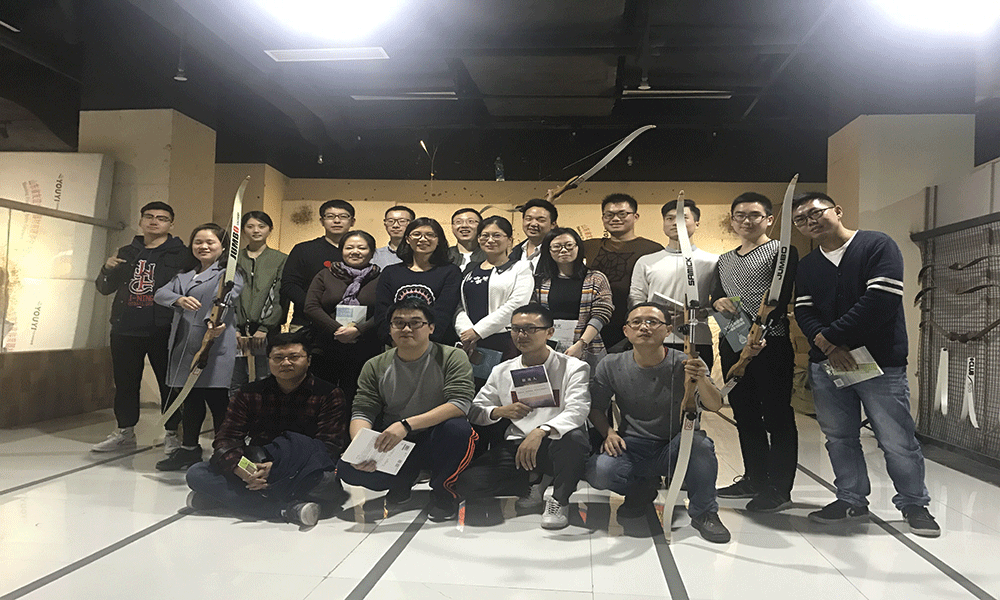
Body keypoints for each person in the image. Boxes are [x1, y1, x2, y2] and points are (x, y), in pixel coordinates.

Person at [792, 192, 940, 537]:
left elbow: (880, 300)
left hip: (879, 363)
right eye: (801, 219)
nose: (810, 221)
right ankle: (851, 499)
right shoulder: (808, 265)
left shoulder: (876, 245)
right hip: (828, 364)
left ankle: (914, 503)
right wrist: (828, 346)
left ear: (837, 210)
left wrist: (833, 339)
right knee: (839, 437)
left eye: (815, 213)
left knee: (896, 439)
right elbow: (803, 309)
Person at [586, 303, 731, 543]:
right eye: (636, 322)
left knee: (701, 446)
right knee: (599, 471)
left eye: (653, 322)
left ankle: (705, 513)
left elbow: (715, 405)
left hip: (675, 443)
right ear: (626, 331)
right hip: (632, 445)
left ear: (668, 330)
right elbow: (595, 408)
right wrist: (609, 432)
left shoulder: (687, 362)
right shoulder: (611, 364)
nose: (644, 327)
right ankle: (641, 491)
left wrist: (701, 379)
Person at [185, 332, 350, 527]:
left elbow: (329, 447)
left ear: (309, 360)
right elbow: (226, 439)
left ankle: (228, 499)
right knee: (197, 473)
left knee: (327, 483)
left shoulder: (329, 394)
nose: (286, 363)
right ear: (269, 361)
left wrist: (279, 468)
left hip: (303, 468)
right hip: (256, 464)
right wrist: (241, 470)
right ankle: (287, 509)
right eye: (278, 358)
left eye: (294, 357)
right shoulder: (249, 393)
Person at [338, 298, 477, 522]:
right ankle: (403, 481)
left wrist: (406, 425)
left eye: (415, 323)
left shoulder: (451, 356)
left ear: (431, 328)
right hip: (396, 444)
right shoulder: (375, 365)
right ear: (390, 329)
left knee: (458, 429)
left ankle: (443, 492)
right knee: (347, 468)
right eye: (398, 323)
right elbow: (363, 411)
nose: (406, 329)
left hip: (436, 437)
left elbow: (460, 404)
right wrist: (361, 446)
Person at [457, 304, 591, 529]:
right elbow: (475, 409)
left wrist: (541, 431)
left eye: (530, 329)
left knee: (575, 439)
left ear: (549, 332)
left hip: (557, 442)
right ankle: (534, 481)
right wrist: (499, 411)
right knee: (469, 483)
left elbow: (578, 410)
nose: (521, 335)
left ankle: (559, 499)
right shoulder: (502, 370)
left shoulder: (573, 367)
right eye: (516, 329)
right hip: (518, 445)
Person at [711, 192, 799, 511]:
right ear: (732, 220)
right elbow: (716, 295)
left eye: (754, 215)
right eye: (740, 215)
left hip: (770, 343)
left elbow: (779, 296)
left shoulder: (782, 252)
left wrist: (759, 330)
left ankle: (779, 488)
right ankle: (755, 478)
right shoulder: (724, 260)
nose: (746, 221)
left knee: (777, 415)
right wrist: (717, 301)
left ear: (769, 219)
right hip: (733, 343)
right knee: (745, 414)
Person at [92, 202, 190, 453]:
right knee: (125, 384)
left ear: (171, 223)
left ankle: (172, 433)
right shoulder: (127, 252)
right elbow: (104, 288)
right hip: (125, 328)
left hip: (164, 329)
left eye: (162, 218)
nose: (154, 221)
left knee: (169, 384)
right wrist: (107, 269)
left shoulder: (182, 254)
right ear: (141, 221)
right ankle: (125, 432)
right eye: (149, 216)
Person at [153, 223, 244, 471]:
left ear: (223, 247)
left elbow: (226, 298)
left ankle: (224, 452)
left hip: (212, 344)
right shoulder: (184, 275)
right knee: (190, 400)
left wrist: (212, 320)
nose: (203, 246)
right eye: (198, 242)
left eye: (210, 242)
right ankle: (189, 450)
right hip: (184, 344)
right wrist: (178, 299)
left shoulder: (229, 274)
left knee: (217, 401)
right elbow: (160, 294)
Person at [629, 198, 718, 369]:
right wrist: (653, 318)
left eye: (683, 218)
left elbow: (719, 302)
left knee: (698, 384)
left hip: (698, 339)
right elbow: (636, 298)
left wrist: (697, 314)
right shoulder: (646, 261)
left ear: (696, 223)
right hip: (654, 339)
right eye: (669, 218)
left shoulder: (712, 261)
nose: (675, 223)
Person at [454, 216, 533, 385]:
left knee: (502, 389)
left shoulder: (520, 268)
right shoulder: (470, 269)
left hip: (503, 340)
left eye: (497, 235)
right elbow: (459, 304)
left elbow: (516, 304)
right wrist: (466, 332)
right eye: (485, 235)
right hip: (469, 341)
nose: (490, 240)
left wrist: (478, 331)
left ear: (509, 240)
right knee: (470, 388)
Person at [304, 230, 382, 402]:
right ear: (341, 250)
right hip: (326, 346)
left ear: (372, 252)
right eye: (349, 247)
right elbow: (311, 307)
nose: (355, 251)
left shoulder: (381, 278)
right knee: (321, 396)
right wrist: (338, 329)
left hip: (365, 347)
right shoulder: (325, 274)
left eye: (362, 248)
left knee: (357, 396)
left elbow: (385, 310)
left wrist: (358, 330)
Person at [580, 194, 663, 350]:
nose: (615, 219)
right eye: (609, 215)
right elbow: (556, 242)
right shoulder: (590, 246)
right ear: (603, 218)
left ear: (635, 216)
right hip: (592, 323)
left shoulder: (652, 249)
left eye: (622, 214)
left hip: (633, 324)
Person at [532, 227, 613, 374]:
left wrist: (581, 344)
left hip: (587, 345)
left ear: (578, 247)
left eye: (569, 245)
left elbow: (602, 314)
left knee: (585, 383)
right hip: (548, 346)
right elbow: (534, 313)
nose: (563, 250)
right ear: (548, 250)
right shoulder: (540, 281)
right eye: (557, 246)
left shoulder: (595, 278)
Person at [375, 217, 462, 345]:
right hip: (396, 344)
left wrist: (424, 343)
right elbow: (382, 311)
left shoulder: (451, 272)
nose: (423, 239)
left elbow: (444, 312)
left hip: (436, 345)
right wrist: (393, 341)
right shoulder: (390, 272)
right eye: (416, 234)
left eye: (430, 235)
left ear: (438, 240)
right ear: (407, 239)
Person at [230, 210, 288, 396]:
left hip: (267, 331)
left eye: (261, 226)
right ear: (243, 230)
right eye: (250, 226)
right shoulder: (233, 258)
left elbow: (280, 295)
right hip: (237, 331)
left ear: (270, 229)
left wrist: (265, 327)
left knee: (266, 377)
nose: (256, 230)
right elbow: (228, 294)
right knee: (236, 380)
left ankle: (264, 413)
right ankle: (237, 413)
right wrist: (234, 327)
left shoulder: (280, 259)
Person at [281, 199, 356, 331]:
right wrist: (314, 307)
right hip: (306, 322)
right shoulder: (303, 250)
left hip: (349, 324)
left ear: (352, 221)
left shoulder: (359, 253)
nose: (337, 221)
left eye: (343, 216)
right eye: (330, 216)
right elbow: (289, 285)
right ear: (322, 221)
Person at [509, 198, 557, 271]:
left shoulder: (557, 251)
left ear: (553, 224)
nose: (533, 224)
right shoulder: (514, 252)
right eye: (528, 219)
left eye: (541, 220)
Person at [372, 205, 414, 270]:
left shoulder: (420, 254)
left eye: (402, 221)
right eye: (390, 221)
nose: (395, 225)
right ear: (385, 224)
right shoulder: (374, 255)